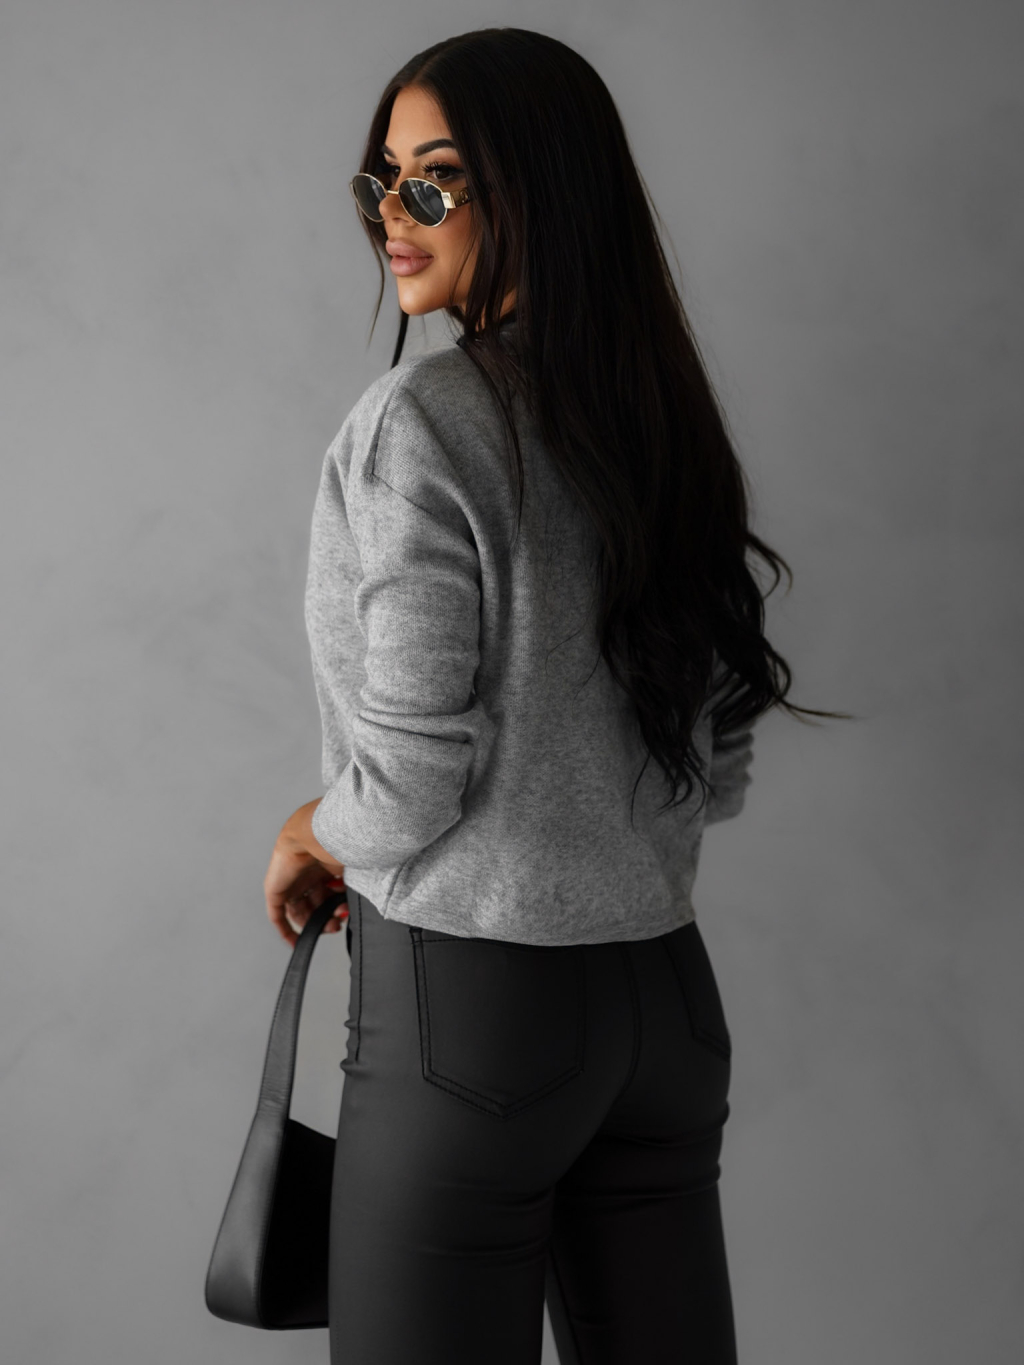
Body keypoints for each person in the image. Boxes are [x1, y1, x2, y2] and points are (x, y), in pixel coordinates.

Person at [260, 27, 847, 1365]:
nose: (393, 215)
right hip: (665, 1007)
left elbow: (411, 780)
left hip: (469, 1018)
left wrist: (313, 829)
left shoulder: (421, 421)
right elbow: (718, 756)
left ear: (536, 190)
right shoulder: (658, 418)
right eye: (381, 181)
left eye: (434, 181)